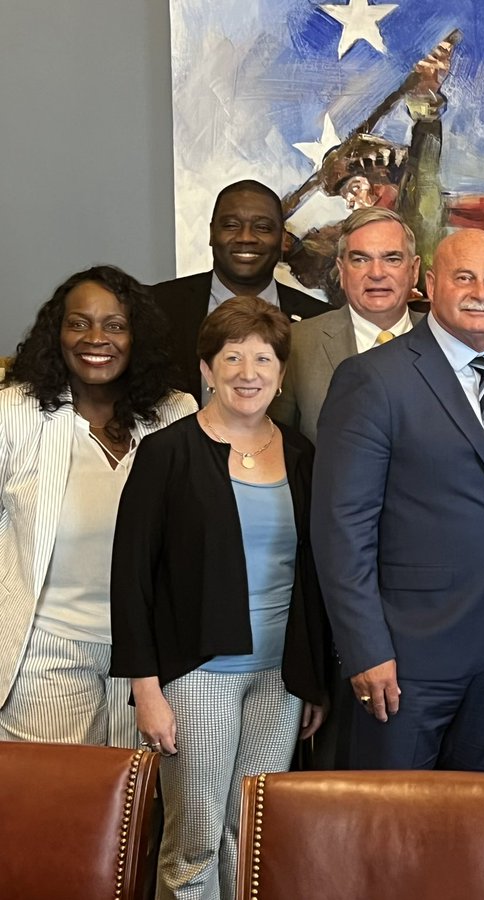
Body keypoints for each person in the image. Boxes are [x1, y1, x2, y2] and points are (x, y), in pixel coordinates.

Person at [110, 297, 330, 900]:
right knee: (196, 839)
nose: (248, 372)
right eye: (231, 357)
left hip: (279, 679)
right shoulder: (166, 454)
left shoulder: (301, 455)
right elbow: (130, 579)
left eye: (263, 358)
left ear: (282, 374)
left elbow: (310, 574)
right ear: (206, 368)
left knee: (251, 836)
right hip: (195, 672)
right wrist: (145, 690)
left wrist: (310, 679)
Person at [311, 228, 484, 772]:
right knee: (390, 832)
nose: (481, 291)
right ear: (430, 283)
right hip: (405, 657)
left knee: (478, 830)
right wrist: (366, 649)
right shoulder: (373, 378)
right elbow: (342, 528)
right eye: (464, 277)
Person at [0, 266, 195, 747]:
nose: (95, 338)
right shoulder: (14, 413)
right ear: (57, 332)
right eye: (79, 322)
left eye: (115, 325)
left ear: (137, 337)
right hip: (47, 654)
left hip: (151, 663)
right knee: (55, 811)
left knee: (140, 812)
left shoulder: (178, 414)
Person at [153, 180, 328, 402]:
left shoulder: (321, 320)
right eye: (231, 225)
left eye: (262, 227)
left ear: (283, 239)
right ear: (211, 233)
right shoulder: (156, 307)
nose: (246, 237)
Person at [269, 207, 425, 443]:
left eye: (392, 259)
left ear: (413, 271)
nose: (376, 273)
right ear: (342, 271)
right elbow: (278, 447)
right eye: (361, 260)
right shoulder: (298, 343)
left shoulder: (446, 341)